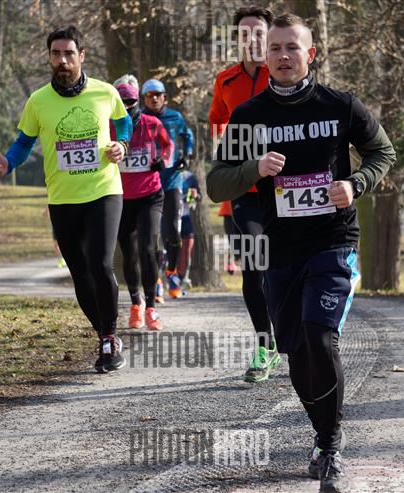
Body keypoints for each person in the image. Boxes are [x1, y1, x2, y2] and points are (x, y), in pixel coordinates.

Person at [207, 14, 396, 493]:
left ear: (311, 54)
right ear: (265, 55)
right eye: (275, 48)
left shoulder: (340, 105)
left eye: (292, 47)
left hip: (333, 240)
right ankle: (321, 432)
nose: (283, 56)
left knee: (320, 336)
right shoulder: (248, 116)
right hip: (280, 248)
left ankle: (330, 445)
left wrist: (356, 183)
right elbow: (216, 184)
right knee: (295, 350)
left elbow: (383, 153)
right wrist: (253, 168)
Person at [0, 26, 132, 374]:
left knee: (101, 265)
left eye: (69, 53)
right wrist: (8, 162)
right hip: (63, 198)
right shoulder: (38, 101)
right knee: (80, 273)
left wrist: (121, 145)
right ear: (50, 58)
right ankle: (104, 333)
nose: (62, 60)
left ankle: (109, 337)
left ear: (82, 56)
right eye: (56, 54)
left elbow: (124, 123)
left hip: (103, 190)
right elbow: (24, 142)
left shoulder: (105, 92)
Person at [209, 5, 280, 383]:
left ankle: (300, 336)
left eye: (259, 33)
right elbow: (217, 126)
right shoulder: (225, 81)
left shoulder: (283, 72)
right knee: (254, 270)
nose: (252, 40)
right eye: (244, 34)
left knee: (286, 268)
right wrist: (229, 162)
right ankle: (266, 346)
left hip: (287, 188)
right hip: (245, 190)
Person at [111, 80, 173, 330]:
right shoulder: (109, 126)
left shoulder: (152, 123)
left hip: (150, 195)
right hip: (121, 198)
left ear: (137, 101)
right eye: (121, 102)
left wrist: (163, 160)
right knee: (129, 254)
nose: (126, 106)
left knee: (148, 249)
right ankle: (136, 304)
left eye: (130, 102)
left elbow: (168, 145)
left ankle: (151, 308)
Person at [141, 78, 195, 299]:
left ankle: (172, 273)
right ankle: (155, 280)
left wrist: (186, 155)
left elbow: (188, 135)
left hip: (172, 180)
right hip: (147, 182)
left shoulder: (175, 117)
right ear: (144, 99)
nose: (154, 98)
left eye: (158, 95)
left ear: (164, 97)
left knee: (172, 230)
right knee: (151, 233)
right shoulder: (139, 119)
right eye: (149, 95)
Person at [177, 169, 200, 291]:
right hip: (169, 217)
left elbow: (198, 196)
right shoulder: (164, 172)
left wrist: (195, 196)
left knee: (188, 247)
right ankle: (166, 279)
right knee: (170, 249)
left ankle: (182, 278)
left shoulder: (190, 176)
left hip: (185, 216)